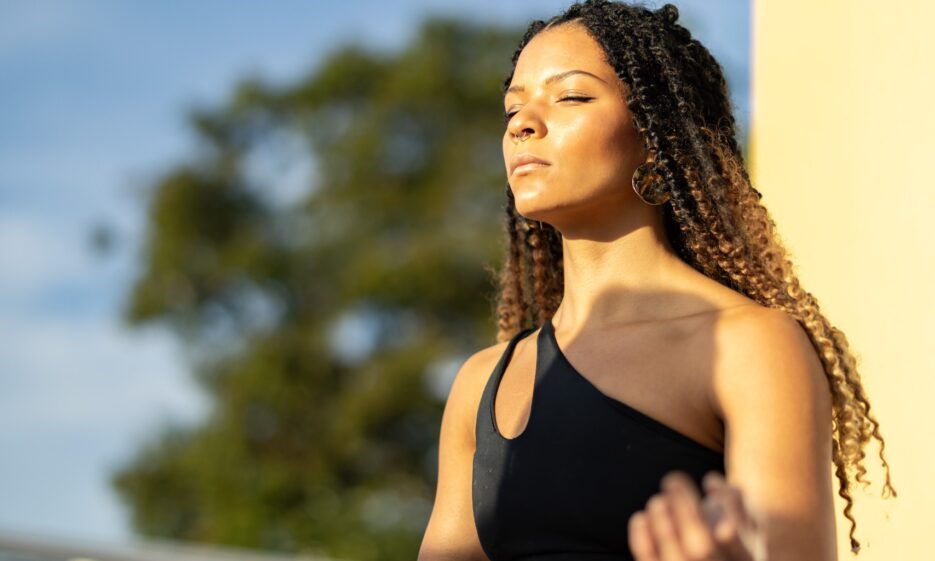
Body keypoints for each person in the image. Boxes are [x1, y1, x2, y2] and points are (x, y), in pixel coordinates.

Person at [417, 1, 896, 560]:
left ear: (654, 133)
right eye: (512, 109)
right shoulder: (483, 384)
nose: (523, 124)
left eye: (570, 96)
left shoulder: (749, 346)